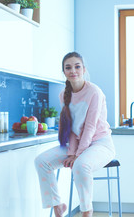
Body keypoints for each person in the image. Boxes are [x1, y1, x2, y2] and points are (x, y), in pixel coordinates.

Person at [34, 52, 116, 217]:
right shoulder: (63, 94)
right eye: (68, 67)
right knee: (41, 161)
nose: (73, 70)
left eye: (77, 66)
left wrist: (77, 155)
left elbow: (90, 126)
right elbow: (71, 128)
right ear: (64, 72)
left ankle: (87, 211)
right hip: (78, 143)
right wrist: (72, 152)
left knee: (80, 165)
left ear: (84, 69)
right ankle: (57, 205)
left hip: (101, 144)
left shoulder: (94, 92)